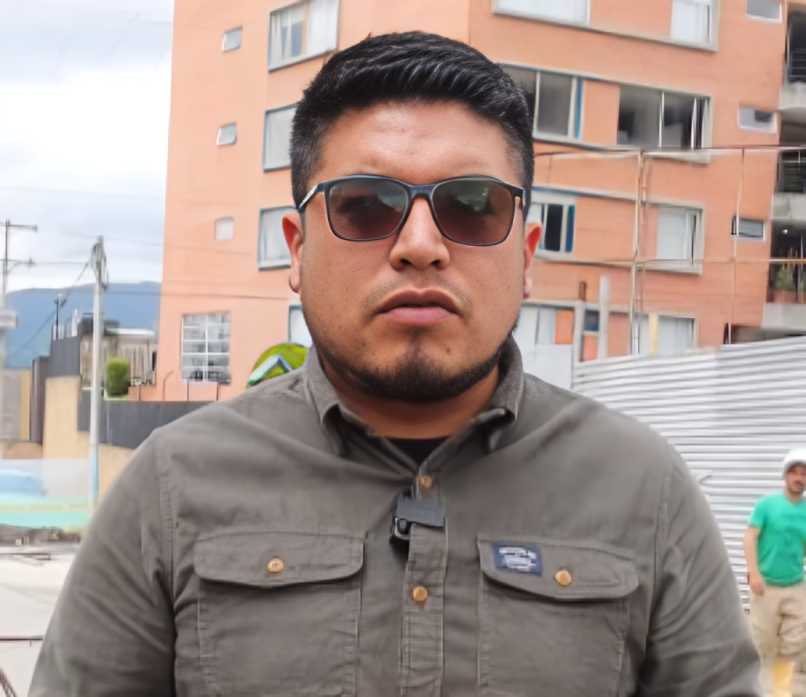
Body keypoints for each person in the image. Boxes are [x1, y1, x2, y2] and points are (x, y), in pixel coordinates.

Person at [30, 32, 759, 696]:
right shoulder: (171, 488)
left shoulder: (644, 493)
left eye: (471, 205)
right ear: (297, 248)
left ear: (527, 254)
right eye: (365, 205)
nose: (419, 245)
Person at [744, 449, 806, 697]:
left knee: (794, 640)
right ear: (785, 476)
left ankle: (781, 690)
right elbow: (750, 538)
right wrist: (753, 572)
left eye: (804, 474)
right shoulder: (766, 505)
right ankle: (751, 687)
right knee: (763, 641)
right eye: (794, 473)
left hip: (796, 585)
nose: (799, 478)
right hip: (766, 585)